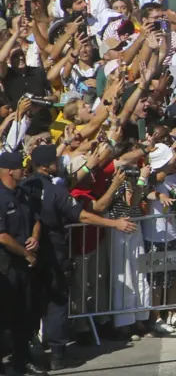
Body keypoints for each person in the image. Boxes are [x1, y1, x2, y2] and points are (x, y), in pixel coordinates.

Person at [22, 144, 136, 368]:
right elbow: (83, 216)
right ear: (45, 165)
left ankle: (28, 353)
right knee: (56, 304)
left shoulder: (22, 187)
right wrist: (115, 223)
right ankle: (57, 355)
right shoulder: (55, 191)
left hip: (27, 255)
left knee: (31, 303)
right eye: (54, 161)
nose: (58, 164)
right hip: (53, 254)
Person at [0, 150, 39, 376]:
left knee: (24, 316)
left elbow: (36, 219)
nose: (24, 171)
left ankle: (21, 361)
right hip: (7, 265)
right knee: (5, 317)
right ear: (10, 171)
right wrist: (26, 253)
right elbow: (2, 236)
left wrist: (35, 236)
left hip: (24, 265)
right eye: (20, 168)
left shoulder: (23, 194)